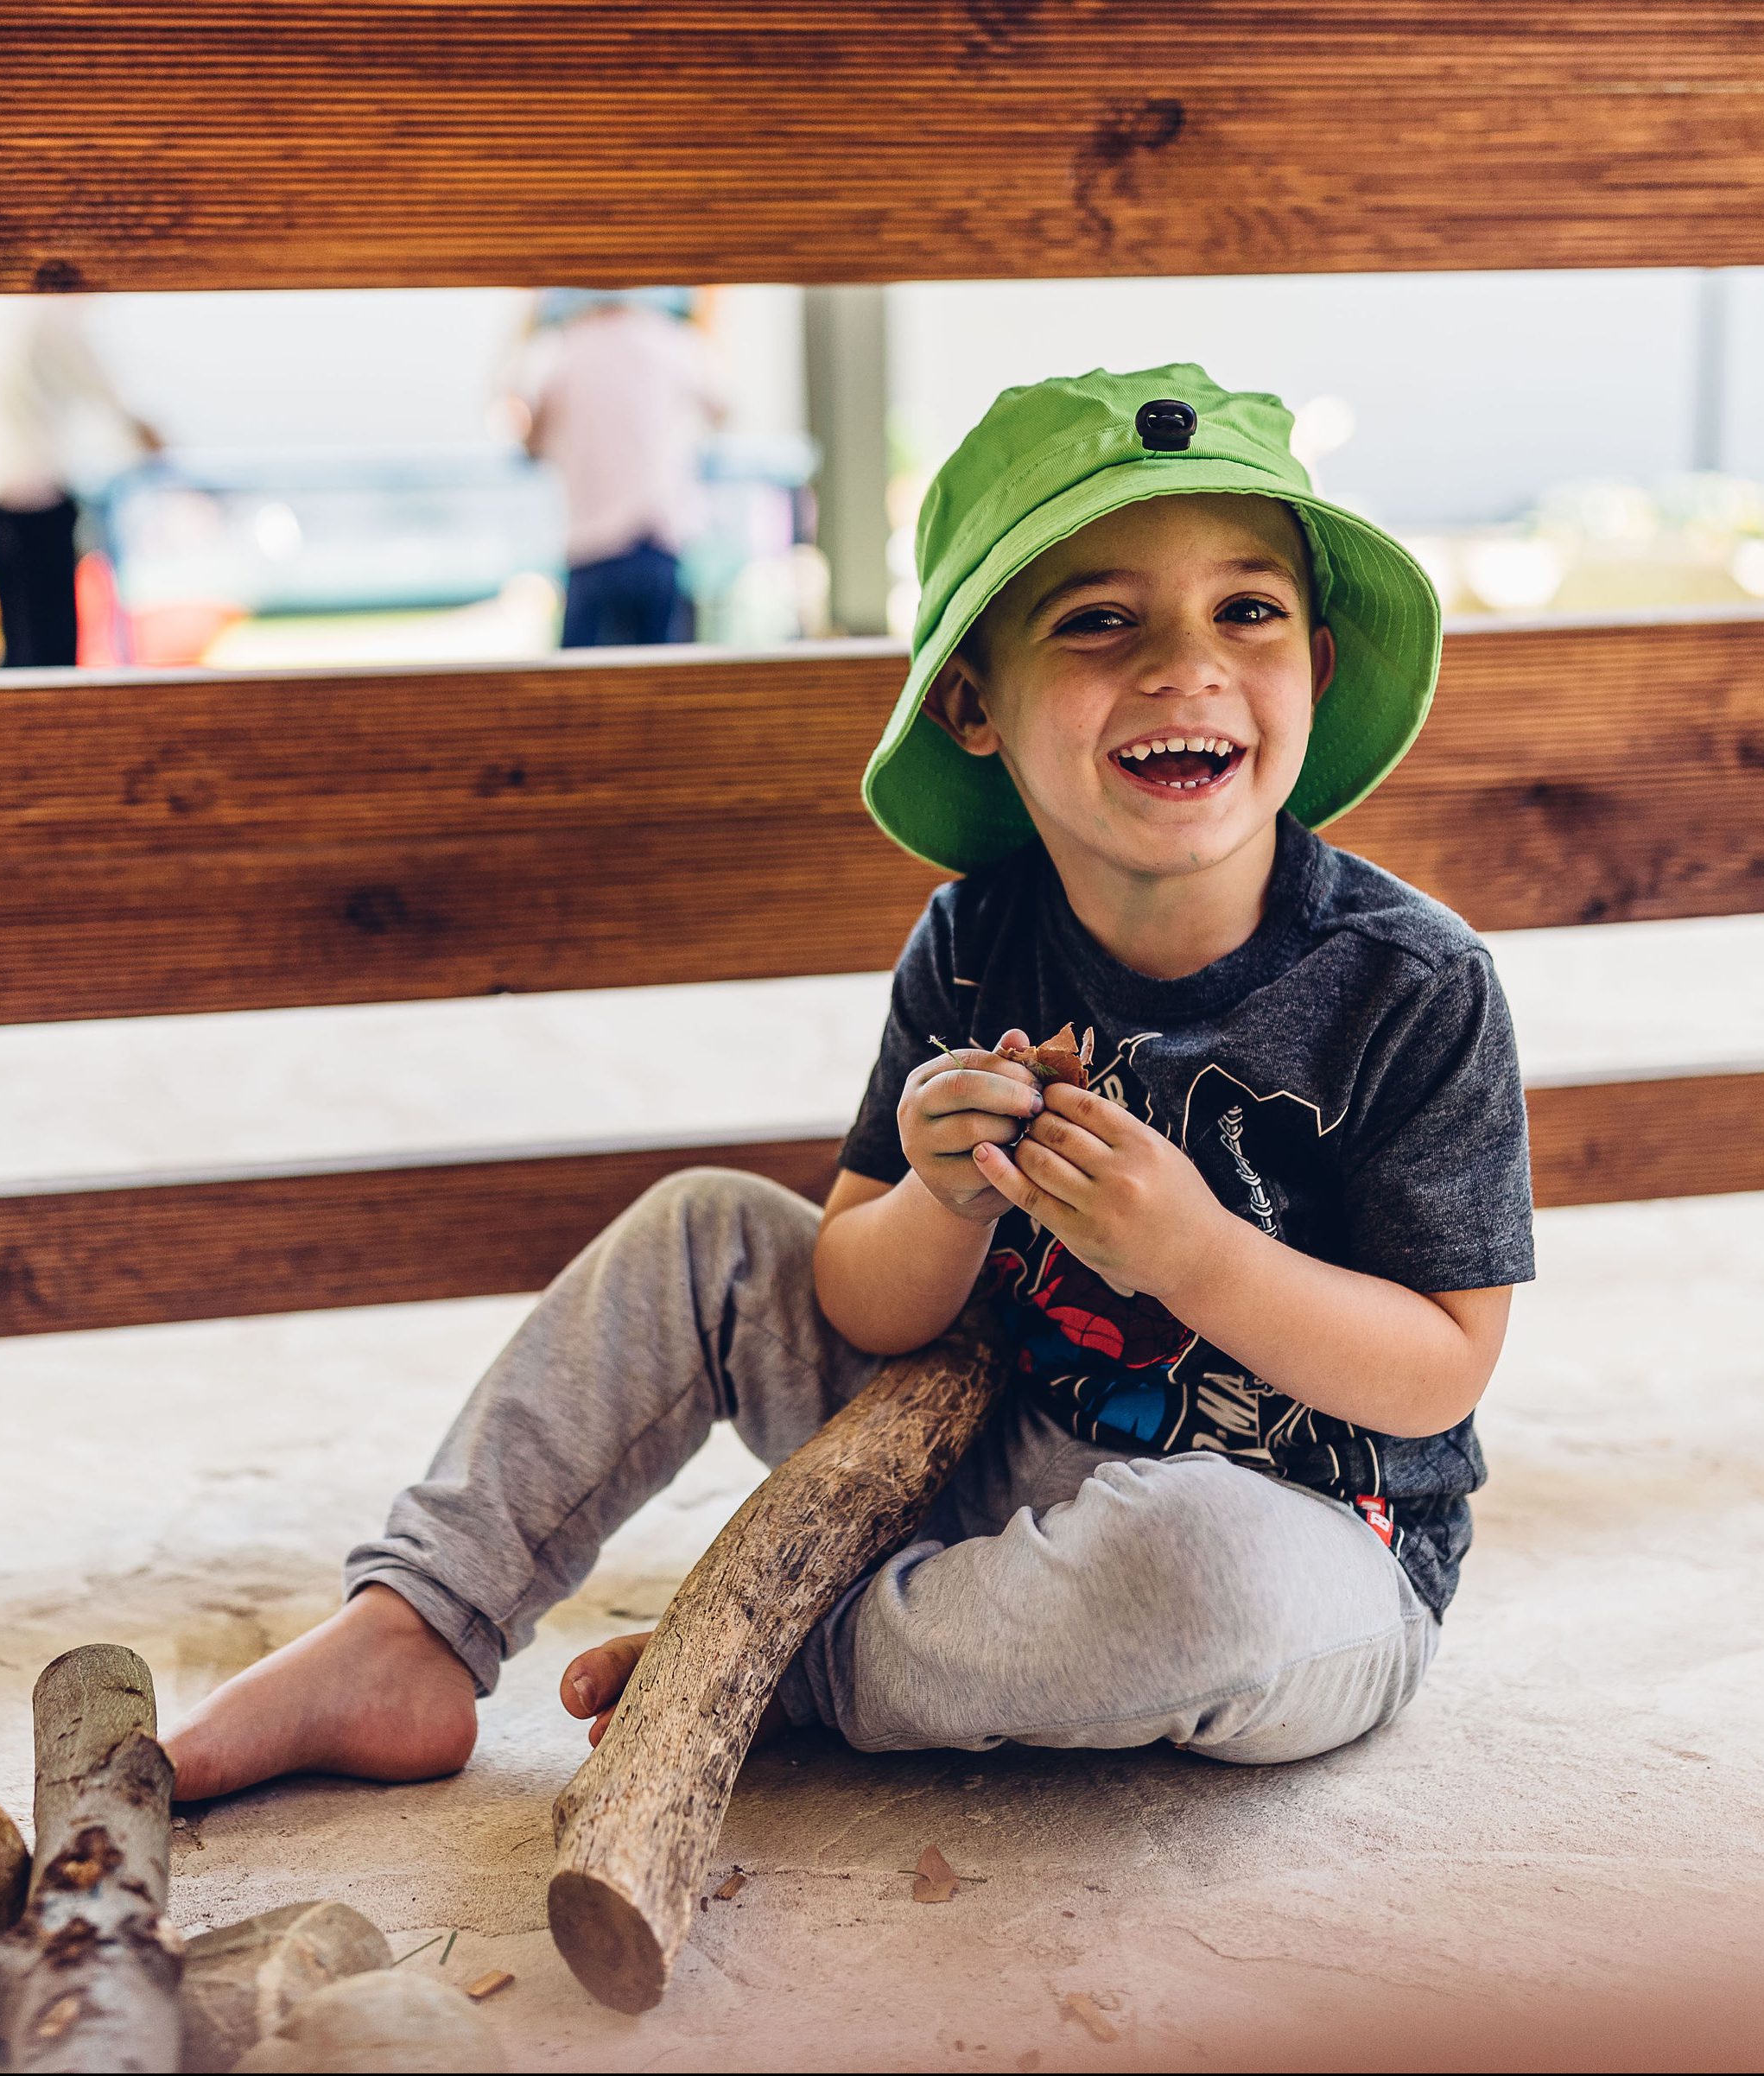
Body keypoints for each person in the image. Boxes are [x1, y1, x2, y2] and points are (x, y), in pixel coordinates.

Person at [163, 365, 1533, 1797]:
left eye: (1242, 610)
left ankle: (779, 1656)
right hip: (977, 1438)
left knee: (1206, 1575)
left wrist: (1191, 1252)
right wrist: (941, 1197)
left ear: (1312, 664)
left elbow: (1435, 1371)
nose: (1184, 664)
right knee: (707, 1229)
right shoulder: (979, 935)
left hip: (1307, 1541)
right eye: (1098, 620)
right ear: (969, 704)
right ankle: (411, 1626)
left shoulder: (1407, 985)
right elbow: (856, 1298)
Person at [510, 292, 727, 648]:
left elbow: (529, 440)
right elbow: (721, 408)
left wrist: (524, 327)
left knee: (582, 692)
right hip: (656, 540)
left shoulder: (563, 353)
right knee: (662, 688)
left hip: (591, 549)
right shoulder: (671, 344)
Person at [0, 300, 162, 669]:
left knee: (24, 635)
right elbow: (96, 383)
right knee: (46, 643)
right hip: (33, 495)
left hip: (12, 490)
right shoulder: (49, 320)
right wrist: (141, 432)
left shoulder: (22, 320)